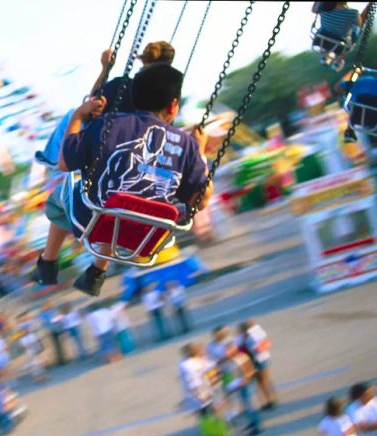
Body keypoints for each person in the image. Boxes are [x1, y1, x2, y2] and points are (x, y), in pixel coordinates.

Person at [31, 63, 212, 296]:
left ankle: (48, 263)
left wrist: (78, 115)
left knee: (63, 199)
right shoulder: (186, 143)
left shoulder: (105, 127)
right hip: (152, 234)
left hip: (94, 220)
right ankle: (96, 273)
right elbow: (203, 199)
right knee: (124, 203)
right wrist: (201, 151)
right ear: (173, 104)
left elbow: (65, 162)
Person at [35, 41, 176, 169]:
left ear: (144, 61)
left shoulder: (122, 85)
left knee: (74, 113)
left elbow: (94, 99)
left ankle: (52, 157)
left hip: (108, 144)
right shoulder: (166, 100)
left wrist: (105, 69)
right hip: (143, 150)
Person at [178, 343, 225, 436]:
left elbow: (213, 373)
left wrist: (216, 389)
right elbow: (193, 384)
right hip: (201, 396)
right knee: (207, 419)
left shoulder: (196, 361)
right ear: (192, 352)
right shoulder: (188, 365)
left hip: (206, 393)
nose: (202, 352)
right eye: (199, 350)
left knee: (208, 418)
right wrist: (201, 396)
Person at [311, 2, 368, 70]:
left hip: (321, 40)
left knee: (329, 35)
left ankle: (328, 54)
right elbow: (358, 26)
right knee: (352, 31)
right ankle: (337, 58)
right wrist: (353, 40)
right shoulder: (353, 13)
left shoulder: (323, 6)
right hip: (339, 44)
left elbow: (313, 10)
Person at [223, 343, 262, 436]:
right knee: (246, 406)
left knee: (250, 406)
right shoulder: (232, 360)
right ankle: (252, 423)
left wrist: (245, 379)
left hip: (246, 385)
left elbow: (250, 370)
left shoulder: (241, 358)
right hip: (240, 385)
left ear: (234, 349)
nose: (226, 353)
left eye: (228, 350)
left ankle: (256, 427)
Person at [238, 320, 278, 410]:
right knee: (262, 382)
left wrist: (254, 348)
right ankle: (269, 400)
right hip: (260, 360)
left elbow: (260, 347)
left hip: (260, 360)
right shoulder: (254, 334)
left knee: (263, 381)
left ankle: (271, 400)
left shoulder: (251, 336)